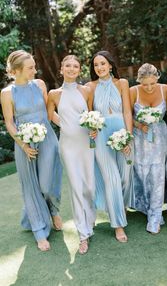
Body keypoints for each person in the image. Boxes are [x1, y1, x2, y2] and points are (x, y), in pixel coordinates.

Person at [1, 50, 62, 251]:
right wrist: (23, 145)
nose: (35, 70)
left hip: (47, 140)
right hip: (24, 144)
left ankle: (53, 209)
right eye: (30, 68)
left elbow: (49, 112)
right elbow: (10, 123)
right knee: (31, 187)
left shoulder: (40, 84)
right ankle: (39, 229)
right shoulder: (7, 93)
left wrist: (70, 125)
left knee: (46, 184)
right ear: (17, 70)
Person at [47, 55, 96, 254]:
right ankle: (83, 234)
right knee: (76, 187)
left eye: (75, 66)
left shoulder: (86, 90)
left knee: (90, 186)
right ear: (61, 69)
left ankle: (90, 221)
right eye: (68, 65)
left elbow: (92, 115)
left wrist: (94, 129)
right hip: (67, 145)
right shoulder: (54, 94)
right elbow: (50, 114)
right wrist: (65, 125)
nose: (71, 69)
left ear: (79, 70)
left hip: (87, 143)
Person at [130, 63, 167, 234]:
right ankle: (145, 206)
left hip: (159, 138)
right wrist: (138, 124)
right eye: (145, 84)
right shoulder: (133, 91)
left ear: (157, 78)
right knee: (142, 173)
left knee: (158, 175)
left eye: (152, 83)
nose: (149, 87)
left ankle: (155, 216)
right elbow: (126, 114)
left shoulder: (164, 89)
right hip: (139, 139)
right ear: (139, 81)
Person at [86, 50, 133, 243]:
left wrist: (128, 136)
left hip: (122, 131)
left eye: (103, 64)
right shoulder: (90, 86)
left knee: (125, 176)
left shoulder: (122, 83)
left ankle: (119, 205)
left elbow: (128, 112)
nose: (99, 68)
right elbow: (88, 114)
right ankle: (118, 224)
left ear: (111, 65)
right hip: (102, 135)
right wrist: (91, 129)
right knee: (111, 178)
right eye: (96, 65)